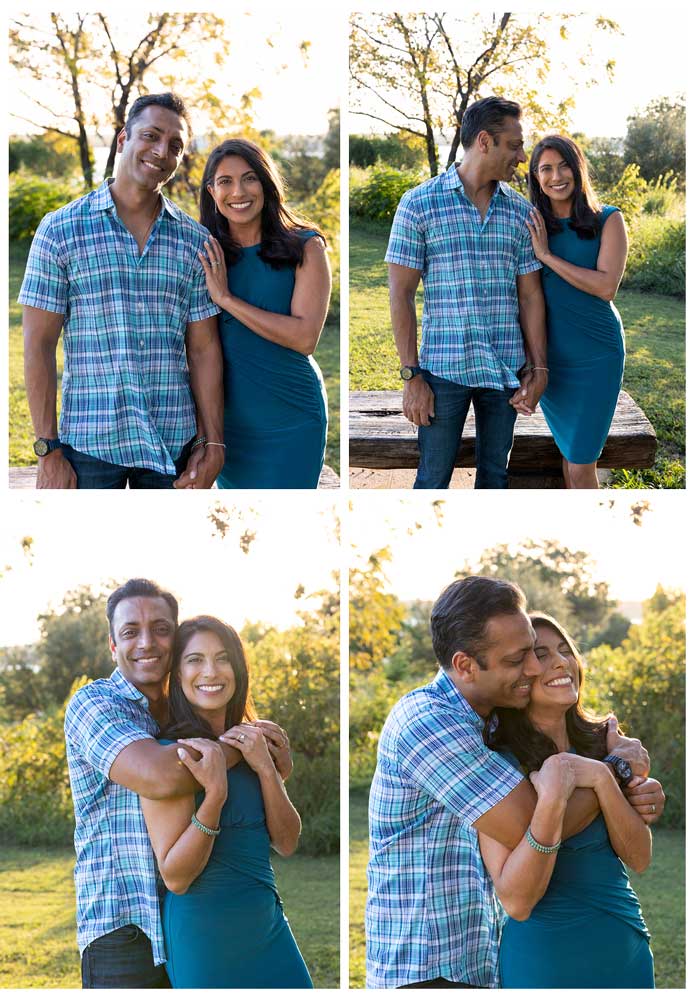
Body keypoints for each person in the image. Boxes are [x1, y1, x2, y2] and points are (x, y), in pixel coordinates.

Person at [364, 576, 665, 989]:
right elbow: (534, 823)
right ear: (465, 666)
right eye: (519, 658)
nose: (536, 667)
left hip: (481, 959)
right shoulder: (429, 724)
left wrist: (615, 777)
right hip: (426, 968)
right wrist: (612, 772)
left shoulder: (488, 725)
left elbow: (631, 850)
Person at [64, 579, 292, 989]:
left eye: (161, 629)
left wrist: (269, 763)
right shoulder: (94, 704)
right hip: (125, 930)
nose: (147, 642)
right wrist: (245, 743)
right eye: (131, 632)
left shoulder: (182, 713)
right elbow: (162, 776)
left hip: (192, 922)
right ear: (113, 646)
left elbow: (278, 830)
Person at [19, 93, 224, 490]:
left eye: (175, 146)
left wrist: (212, 440)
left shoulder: (194, 241)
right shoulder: (60, 230)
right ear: (122, 139)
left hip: (173, 445)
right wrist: (48, 449)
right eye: (152, 136)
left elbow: (204, 349)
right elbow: (38, 344)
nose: (162, 151)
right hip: (88, 446)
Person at [481, 613, 654, 987]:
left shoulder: (604, 745)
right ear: (519, 676)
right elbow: (515, 900)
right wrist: (602, 774)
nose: (562, 662)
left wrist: (603, 777)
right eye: (541, 654)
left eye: (565, 650)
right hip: (545, 959)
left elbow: (640, 857)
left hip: (624, 947)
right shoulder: (499, 765)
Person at [140, 616, 312, 988]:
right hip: (204, 938)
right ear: (177, 673)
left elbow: (286, 842)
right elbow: (176, 877)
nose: (210, 671)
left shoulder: (253, 744)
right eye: (195, 660)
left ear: (238, 668)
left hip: (267, 926)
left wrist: (267, 770)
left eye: (222, 658)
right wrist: (214, 796)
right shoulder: (173, 756)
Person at [385, 96, 547, 489]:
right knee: (432, 481)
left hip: (505, 372)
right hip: (443, 370)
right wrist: (412, 377)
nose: (522, 157)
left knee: (495, 479)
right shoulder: (418, 204)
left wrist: (539, 367)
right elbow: (400, 295)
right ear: (485, 141)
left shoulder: (521, 212)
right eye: (515, 145)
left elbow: (530, 297)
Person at [197, 139, 331, 488]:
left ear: (266, 183)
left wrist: (226, 298)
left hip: (293, 417)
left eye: (250, 178)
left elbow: (305, 338)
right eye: (225, 181)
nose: (238, 191)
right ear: (211, 190)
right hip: (228, 427)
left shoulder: (306, 247)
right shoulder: (202, 253)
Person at [526, 135, 628, 488]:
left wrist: (548, 257)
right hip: (553, 360)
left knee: (583, 463)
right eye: (546, 169)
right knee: (571, 460)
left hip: (597, 356)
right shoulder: (534, 225)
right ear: (536, 178)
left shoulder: (609, 220)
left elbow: (605, 287)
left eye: (564, 165)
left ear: (578, 167)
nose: (557, 176)